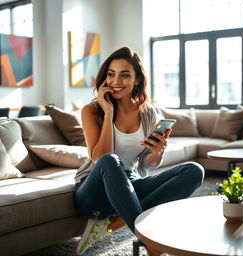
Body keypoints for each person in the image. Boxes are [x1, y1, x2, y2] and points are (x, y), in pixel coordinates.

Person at [74, 46, 204, 256]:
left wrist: (157, 152)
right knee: (110, 160)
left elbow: (145, 165)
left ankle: (111, 225)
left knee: (194, 170)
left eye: (125, 75)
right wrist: (108, 113)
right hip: (93, 191)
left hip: (129, 184)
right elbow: (99, 157)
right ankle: (148, 239)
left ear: (137, 80)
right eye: (111, 74)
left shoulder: (147, 112)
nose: (116, 81)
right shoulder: (92, 111)